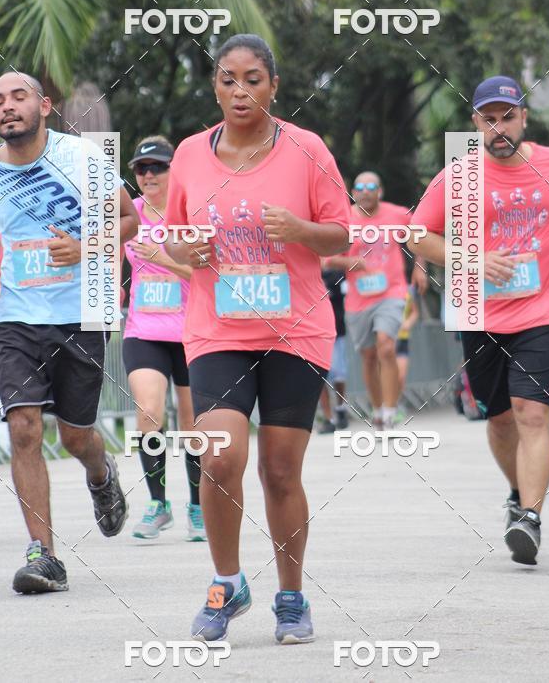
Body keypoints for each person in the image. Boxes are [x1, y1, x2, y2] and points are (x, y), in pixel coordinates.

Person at [163, 34, 350, 644]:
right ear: (214, 86)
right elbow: (170, 239)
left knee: (278, 469)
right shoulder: (190, 154)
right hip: (217, 328)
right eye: (227, 79)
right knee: (218, 457)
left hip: (296, 331)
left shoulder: (307, 149)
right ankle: (226, 582)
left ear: (274, 86)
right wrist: (185, 248)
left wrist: (300, 229)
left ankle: (291, 597)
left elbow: (342, 234)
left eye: (252, 80)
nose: (239, 91)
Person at [409, 75, 549, 566]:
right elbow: (416, 236)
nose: (499, 127)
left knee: (532, 414)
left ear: (524, 118)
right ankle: (517, 490)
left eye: (507, 116)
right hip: (478, 312)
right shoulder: (458, 177)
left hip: (542, 309)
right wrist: (472, 258)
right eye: (489, 119)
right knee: (501, 420)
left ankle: (530, 516)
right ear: (475, 124)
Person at [0, 72, 138, 593]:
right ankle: (44, 555)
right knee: (23, 428)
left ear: (44, 106)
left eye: (19, 97)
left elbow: (130, 221)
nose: (8, 107)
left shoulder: (84, 157)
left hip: (81, 311)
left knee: (74, 435)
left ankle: (101, 473)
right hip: (15, 318)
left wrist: (87, 245)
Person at [123, 135, 205, 541]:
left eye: (157, 166)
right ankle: (157, 503)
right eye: (141, 168)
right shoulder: (129, 215)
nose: (149, 174)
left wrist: (166, 260)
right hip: (144, 331)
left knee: (193, 425)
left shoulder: (192, 214)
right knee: (149, 414)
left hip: (192, 332)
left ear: (176, 170)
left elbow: (210, 275)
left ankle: (198, 506)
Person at [326, 173, 427, 430]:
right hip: (358, 299)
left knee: (386, 346)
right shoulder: (343, 219)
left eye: (371, 186)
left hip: (391, 292)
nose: (365, 191)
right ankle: (378, 408)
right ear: (354, 193)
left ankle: (391, 411)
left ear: (380, 191)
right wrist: (350, 262)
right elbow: (323, 258)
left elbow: (421, 233)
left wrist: (420, 267)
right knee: (369, 356)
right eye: (359, 187)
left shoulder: (397, 215)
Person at [317, 265, 349, 433]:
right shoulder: (306, 273)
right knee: (319, 376)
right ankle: (328, 418)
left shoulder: (337, 274)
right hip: (314, 333)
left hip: (337, 331)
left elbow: (346, 294)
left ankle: (341, 409)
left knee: (339, 374)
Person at [396, 285, 419, 398]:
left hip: (402, 339)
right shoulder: (381, 287)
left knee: (401, 376)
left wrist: (408, 323)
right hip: (385, 339)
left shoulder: (407, 290)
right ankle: (382, 406)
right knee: (385, 375)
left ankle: (394, 406)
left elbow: (415, 312)